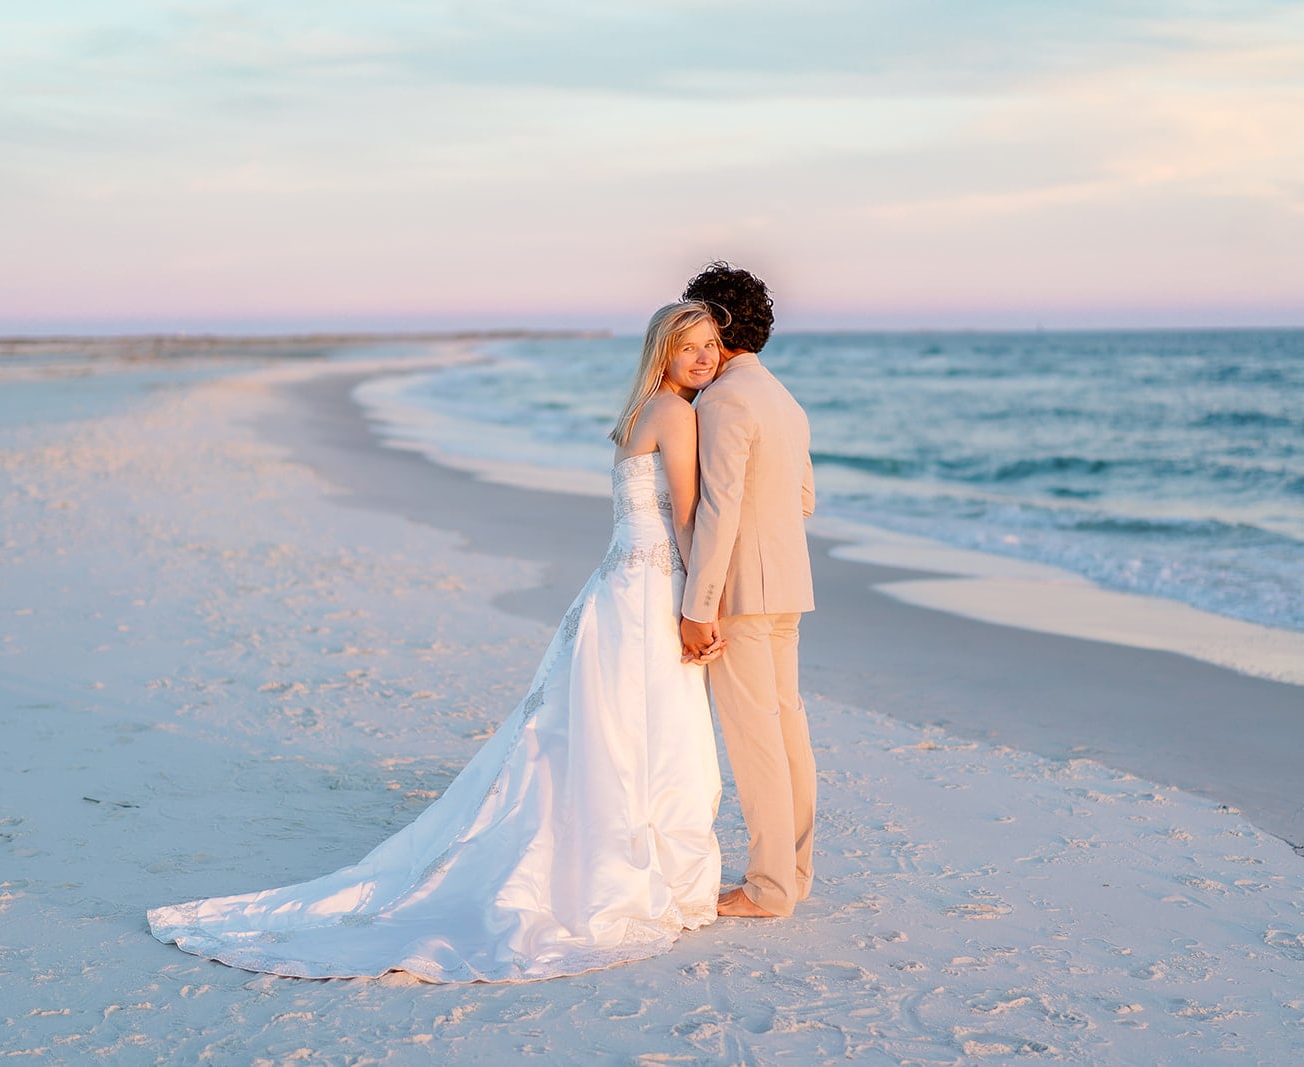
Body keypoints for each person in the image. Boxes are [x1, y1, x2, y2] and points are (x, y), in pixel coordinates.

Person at [148, 302, 726, 982]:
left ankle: (611, 853)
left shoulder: (639, 412)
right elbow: (685, 517)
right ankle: (631, 868)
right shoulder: (676, 413)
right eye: (689, 347)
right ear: (663, 353)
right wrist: (702, 603)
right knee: (647, 728)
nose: (703, 357)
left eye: (711, 345)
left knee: (607, 728)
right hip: (652, 588)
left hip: (617, 585)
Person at [677, 263, 817, 920]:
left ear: (720, 324)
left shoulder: (724, 401)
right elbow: (804, 499)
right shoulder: (783, 398)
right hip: (788, 583)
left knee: (756, 739)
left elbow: (720, 509)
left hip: (742, 592)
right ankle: (794, 874)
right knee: (788, 730)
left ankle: (767, 888)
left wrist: (698, 606)